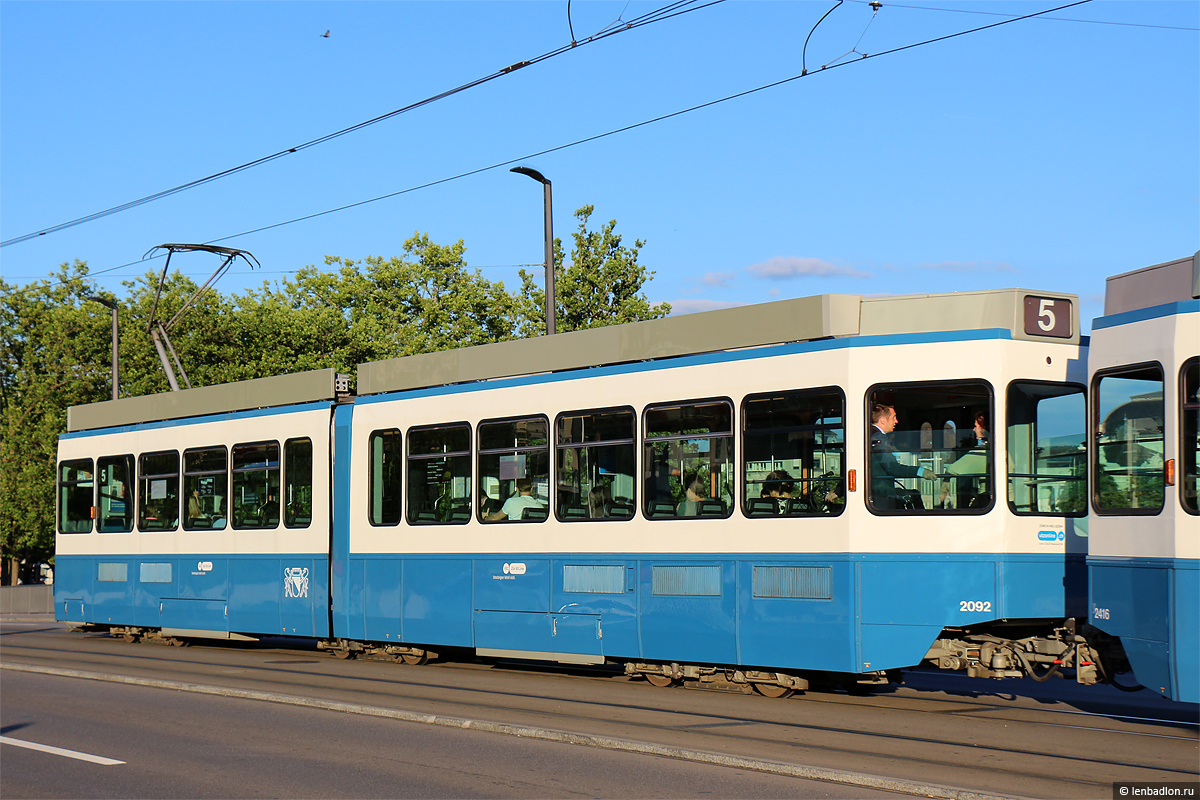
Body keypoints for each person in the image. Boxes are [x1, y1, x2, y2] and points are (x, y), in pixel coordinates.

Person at [870, 403, 935, 509]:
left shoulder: (868, 433)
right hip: (881, 496)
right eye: (893, 417)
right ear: (883, 420)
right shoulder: (878, 438)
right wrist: (920, 471)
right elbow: (892, 467)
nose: (896, 421)